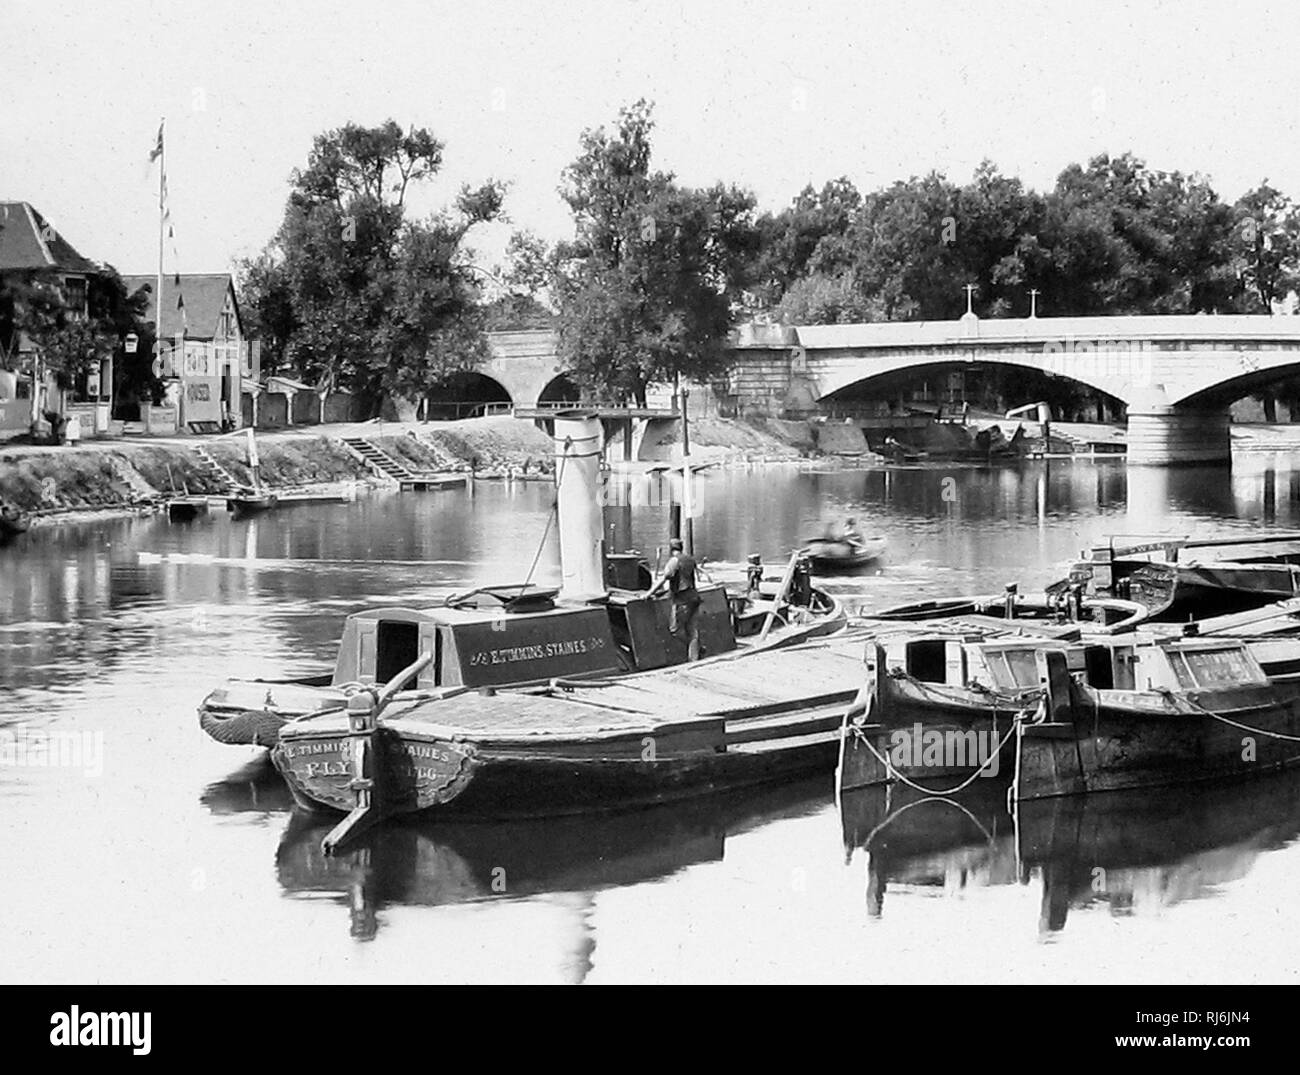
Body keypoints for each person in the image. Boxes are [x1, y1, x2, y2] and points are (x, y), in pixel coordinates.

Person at [649, 537, 702, 661]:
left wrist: (649, 593)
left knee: (675, 630)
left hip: (682, 600)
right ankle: (694, 655)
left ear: (671, 549)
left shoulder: (674, 561)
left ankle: (692, 648)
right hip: (694, 597)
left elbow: (664, 578)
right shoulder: (690, 560)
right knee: (692, 629)